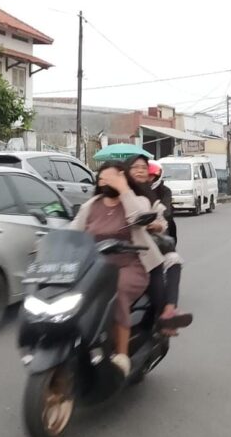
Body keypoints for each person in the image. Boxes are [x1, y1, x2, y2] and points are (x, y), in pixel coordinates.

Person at [69, 161, 165, 378]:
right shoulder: (91, 206)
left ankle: (121, 356)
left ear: (122, 178)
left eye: (111, 178)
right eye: (102, 178)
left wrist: (124, 191)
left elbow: (138, 220)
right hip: (93, 267)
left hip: (129, 266)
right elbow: (73, 231)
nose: (105, 182)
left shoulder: (136, 201)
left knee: (116, 291)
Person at [126, 155, 193, 336]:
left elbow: (163, 219)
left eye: (143, 167)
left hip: (147, 247)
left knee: (170, 259)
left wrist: (155, 225)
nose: (140, 171)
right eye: (135, 167)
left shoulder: (154, 195)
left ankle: (168, 311)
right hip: (117, 249)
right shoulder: (116, 195)